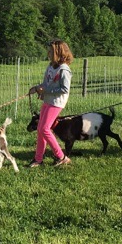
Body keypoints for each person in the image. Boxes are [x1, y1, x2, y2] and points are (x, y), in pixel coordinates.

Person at [28, 39, 74, 167]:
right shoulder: (50, 67)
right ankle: (38, 159)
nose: (48, 53)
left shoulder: (64, 70)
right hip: (48, 100)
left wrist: (45, 90)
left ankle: (61, 157)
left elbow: (64, 89)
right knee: (40, 129)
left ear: (59, 53)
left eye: (51, 51)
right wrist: (36, 88)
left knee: (44, 129)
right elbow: (46, 84)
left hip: (56, 102)